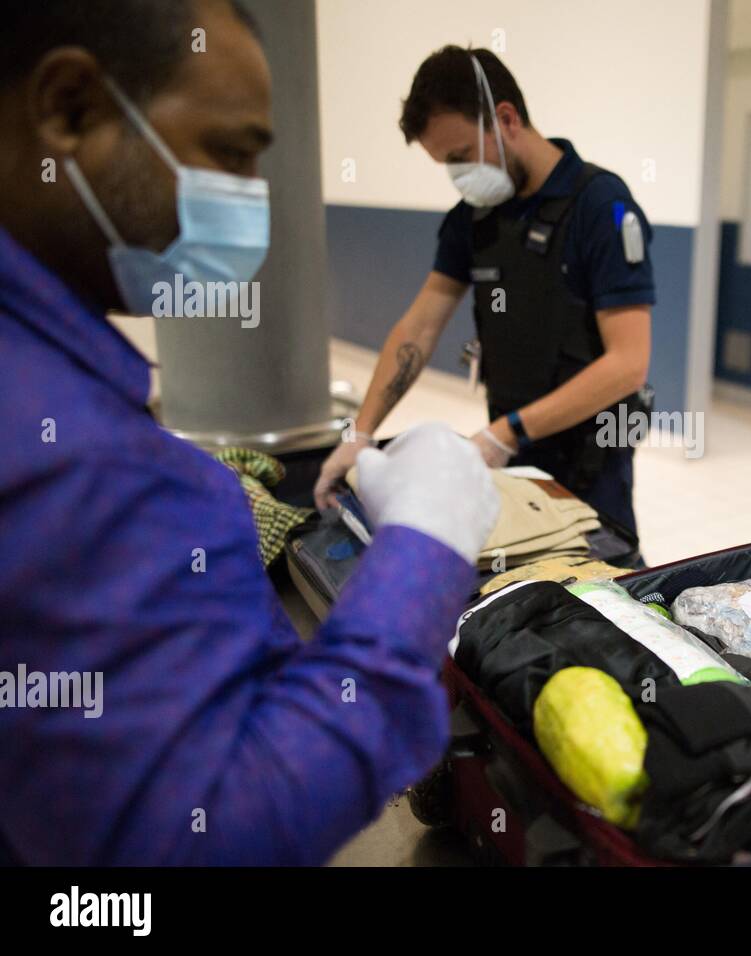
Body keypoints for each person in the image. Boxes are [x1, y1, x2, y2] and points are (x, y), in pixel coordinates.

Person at [0, 0, 498, 864]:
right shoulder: (67, 460)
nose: (254, 202)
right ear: (70, 107)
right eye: (228, 154)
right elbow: (209, 835)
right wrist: (421, 546)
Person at [313, 46, 654, 537]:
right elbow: (420, 325)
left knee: (598, 581)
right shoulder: (472, 220)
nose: (457, 175)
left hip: (590, 456)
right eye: (445, 166)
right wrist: (360, 433)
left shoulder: (601, 206)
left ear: (506, 119)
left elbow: (628, 364)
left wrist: (507, 432)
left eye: (460, 157)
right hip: (508, 443)